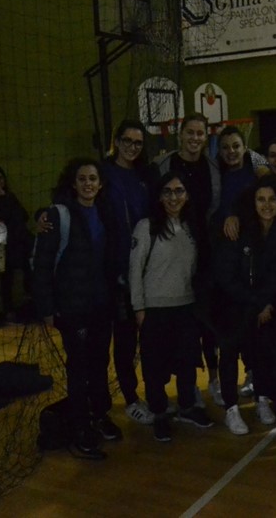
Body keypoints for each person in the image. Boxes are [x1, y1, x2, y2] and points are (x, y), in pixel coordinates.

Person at [32, 158, 122, 460]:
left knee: (99, 363)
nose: (88, 184)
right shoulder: (58, 216)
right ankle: (81, 425)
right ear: (73, 183)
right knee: (79, 367)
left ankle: (100, 415)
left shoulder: (105, 212)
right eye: (82, 179)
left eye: (93, 178)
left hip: (101, 305)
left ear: (100, 183)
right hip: (73, 308)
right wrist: (47, 307)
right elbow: (42, 264)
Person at [130, 171, 214, 442]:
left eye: (179, 191)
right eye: (167, 191)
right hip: (155, 309)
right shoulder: (146, 227)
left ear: (187, 195)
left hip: (185, 306)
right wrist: (139, 308)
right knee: (155, 368)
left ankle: (187, 407)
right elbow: (135, 270)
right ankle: (159, 413)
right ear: (159, 196)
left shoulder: (192, 227)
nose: (173, 197)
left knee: (187, 363)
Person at [213, 175, 276, 435]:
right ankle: (231, 409)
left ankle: (261, 399)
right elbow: (226, 276)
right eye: (261, 199)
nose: (267, 205)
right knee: (229, 356)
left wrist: (264, 303)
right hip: (233, 305)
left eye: (272, 199)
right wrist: (257, 303)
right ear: (253, 202)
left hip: (262, 308)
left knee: (261, 354)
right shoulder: (238, 229)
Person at [153, 113, 221, 405]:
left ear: (206, 137)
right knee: (183, 327)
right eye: (190, 132)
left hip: (205, 253)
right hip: (173, 253)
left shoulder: (213, 166)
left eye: (200, 133)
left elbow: (249, 157)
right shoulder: (162, 165)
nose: (195, 138)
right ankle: (187, 385)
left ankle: (215, 380)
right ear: (180, 134)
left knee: (208, 323)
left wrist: (262, 166)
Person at [103, 119, 155, 426]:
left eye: (137, 142)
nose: (132, 147)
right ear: (116, 141)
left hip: (147, 269)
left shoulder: (145, 176)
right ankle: (131, 398)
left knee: (149, 337)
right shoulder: (104, 174)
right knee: (124, 338)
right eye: (127, 140)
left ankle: (155, 395)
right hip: (117, 271)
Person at [0, 165, 32, 322]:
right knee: (6, 280)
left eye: (0, 178)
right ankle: (8, 310)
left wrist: (5, 199)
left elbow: (23, 215)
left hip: (19, 241)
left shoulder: (10, 196)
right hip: (1, 245)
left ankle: (29, 302)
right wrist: (3, 200)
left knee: (28, 271)